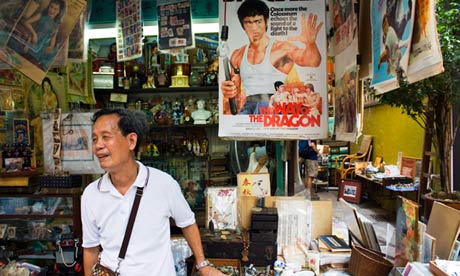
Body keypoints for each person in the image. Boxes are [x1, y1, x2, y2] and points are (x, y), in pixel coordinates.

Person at [81, 108, 224, 276]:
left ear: (131, 141)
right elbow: (90, 249)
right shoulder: (91, 194)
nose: (98, 145)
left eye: (106, 137)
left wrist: (202, 264)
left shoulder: (163, 184)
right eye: (95, 139)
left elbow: (187, 223)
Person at [221, 0, 324, 115]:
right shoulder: (237, 55)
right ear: (243, 26)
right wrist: (228, 90)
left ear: (266, 22)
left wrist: (311, 44)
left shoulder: (281, 48)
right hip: (249, 109)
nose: (254, 27)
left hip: (275, 109)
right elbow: (234, 94)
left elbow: (313, 61)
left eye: (258, 21)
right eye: (248, 22)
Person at [12, 0, 65, 69]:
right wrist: (34, 34)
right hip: (36, 41)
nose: (52, 10)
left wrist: (51, 47)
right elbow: (27, 22)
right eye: (51, 7)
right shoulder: (42, 15)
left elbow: (53, 36)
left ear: (59, 11)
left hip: (45, 45)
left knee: (55, 54)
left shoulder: (57, 24)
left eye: (55, 9)